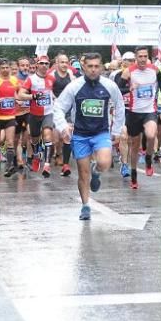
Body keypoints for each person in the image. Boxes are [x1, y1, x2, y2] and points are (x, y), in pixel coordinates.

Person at [53, 53, 126, 220]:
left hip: (101, 133)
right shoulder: (74, 86)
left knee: (104, 162)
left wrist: (116, 130)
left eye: (96, 66)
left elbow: (120, 107)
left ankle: (97, 172)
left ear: (101, 67)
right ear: (84, 67)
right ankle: (85, 206)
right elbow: (58, 108)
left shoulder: (109, 85)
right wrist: (63, 127)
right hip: (80, 135)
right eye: (90, 66)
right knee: (82, 172)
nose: (93, 70)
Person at [116, 47, 161, 189]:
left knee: (151, 134)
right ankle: (134, 173)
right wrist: (129, 88)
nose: (143, 59)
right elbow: (118, 89)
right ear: (136, 57)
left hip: (149, 110)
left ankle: (148, 158)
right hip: (134, 112)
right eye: (140, 56)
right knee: (134, 146)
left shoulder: (154, 69)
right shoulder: (128, 71)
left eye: (145, 56)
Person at [18, 55, 57, 178]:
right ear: (37, 65)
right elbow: (20, 95)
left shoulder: (52, 78)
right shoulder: (31, 79)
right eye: (42, 63)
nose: (44, 65)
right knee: (34, 139)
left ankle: (46, 165)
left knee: (47, 135)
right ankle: (35, 154)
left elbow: (55, 92)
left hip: (48, 112)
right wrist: (33, 97)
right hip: (34, 114)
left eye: (46, 63)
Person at [0, 59, 20, 177]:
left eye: (7, 67)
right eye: (3, 68)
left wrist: (17, 100)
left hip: (10, 116)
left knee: (10, 142)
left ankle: (9, 166)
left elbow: (17, 93)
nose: (5, 70)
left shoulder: (14, 80)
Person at [51, 53, 76, 176]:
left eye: (66, 62)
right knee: (56, 139)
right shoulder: (52, 75)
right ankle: (57, 153)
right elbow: (48, 90)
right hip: (55, 108)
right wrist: (56, 99)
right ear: (57, 63)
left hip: (68, 109)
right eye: (62, 62)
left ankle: (65, 164)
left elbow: (74, 89)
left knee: (66, 134)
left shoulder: (70, 75)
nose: (64, 64)